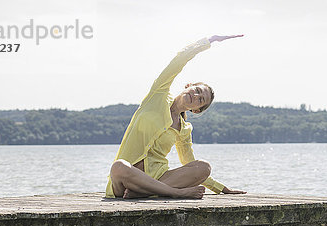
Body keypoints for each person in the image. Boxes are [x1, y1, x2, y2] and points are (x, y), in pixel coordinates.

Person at [105, 35, 247, 199]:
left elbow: (189, 163)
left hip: (160, 178)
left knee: (203, 167)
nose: (196, 95)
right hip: (126, 180)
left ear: (197, 110)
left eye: (201, 100)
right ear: (189, 86)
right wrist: (208, 41)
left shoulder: (184, 129)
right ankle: (173, 192)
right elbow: (179, 61)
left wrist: (221, 188)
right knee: (118, 166)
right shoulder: (158, 94)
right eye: (197, 90)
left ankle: (146, 192)